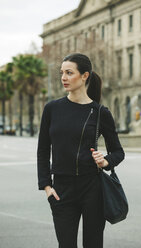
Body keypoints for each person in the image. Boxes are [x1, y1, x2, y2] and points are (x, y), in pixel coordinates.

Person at [37, 53, 125, 248]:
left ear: (85, 76)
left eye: (69, 73)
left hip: (93, 188)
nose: (63, 78)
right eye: (62, 73)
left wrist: (105, 161)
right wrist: (46, 187)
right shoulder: (52, 109)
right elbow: (43, 150)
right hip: (61, 189)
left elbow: (118, 151)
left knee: (93, 244)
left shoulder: (101, 112)